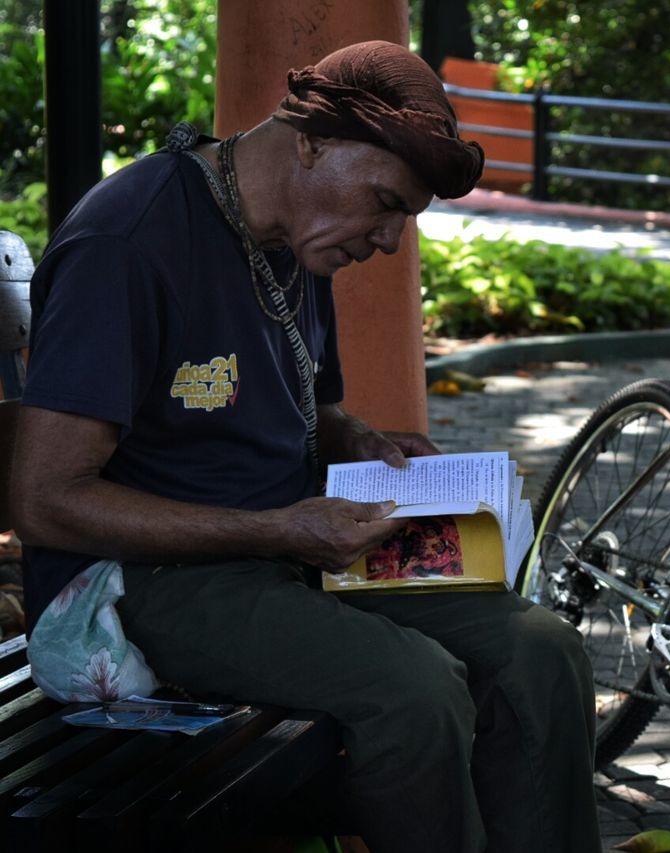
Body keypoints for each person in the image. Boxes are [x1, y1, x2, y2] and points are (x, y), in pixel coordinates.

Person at [9, 40, 600, 853]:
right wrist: (279, 529)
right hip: (143, 580)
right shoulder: (127, 242)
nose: (389, 241)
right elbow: (44, 499)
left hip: (288, 549)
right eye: (385, 202)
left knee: (541, 651)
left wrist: (361, 437)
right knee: (415, 691)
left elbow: (306, 408)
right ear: (310, 141)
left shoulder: (297, 236)